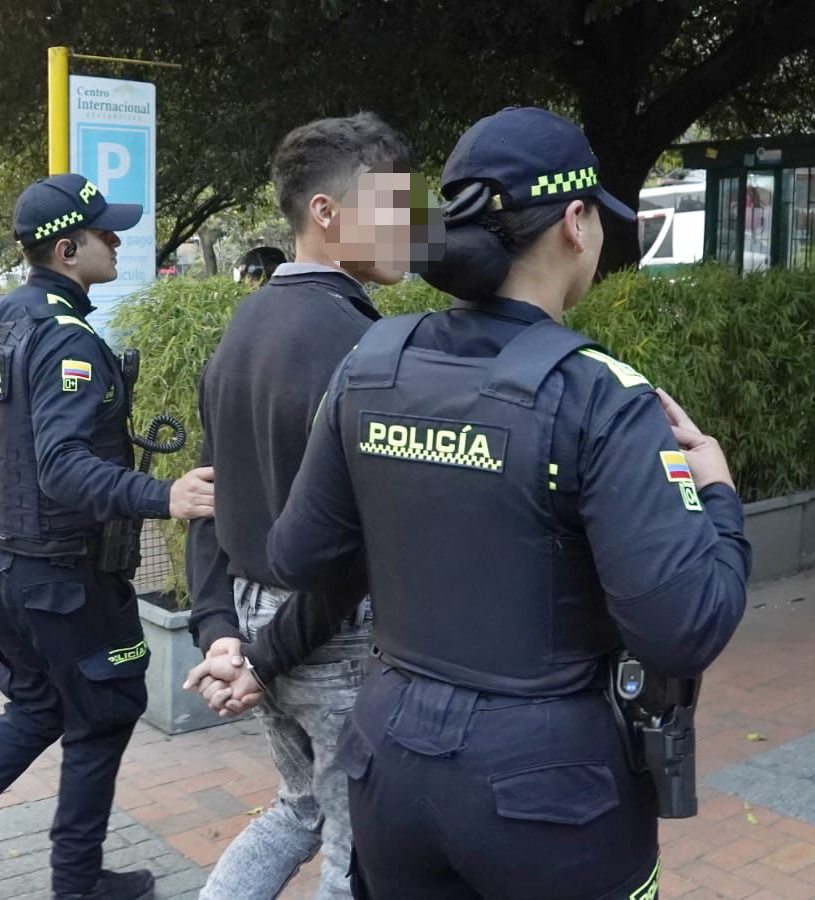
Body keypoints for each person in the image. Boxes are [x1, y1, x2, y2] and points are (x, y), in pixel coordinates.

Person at [264, 107, 751, 899]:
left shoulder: (370, 363)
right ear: (575, 222)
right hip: (549, 792)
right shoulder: (601, 396)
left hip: (389, 769)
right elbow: (684, 627)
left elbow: (298, 556)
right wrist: (719, 497)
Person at [0, 173, 218, 900]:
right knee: (108, 709)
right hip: (67, 580)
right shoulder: (65, 339)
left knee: (36, 706)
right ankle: (77, 883)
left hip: (5, 569)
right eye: (104, 232)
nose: (116, 241)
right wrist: (166, 496)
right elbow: (62, 467)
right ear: (67, 249)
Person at [181, 112, 432, 900]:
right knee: (358, 854)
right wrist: (261, 655)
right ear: (325, 213)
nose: (413, 225)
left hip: (261, 629)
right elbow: (357, 551)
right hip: (328, 642)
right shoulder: (363, 350)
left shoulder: (241, 327)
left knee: (299, 811)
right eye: (396, 203)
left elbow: (209, 497)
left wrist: (223, 633)